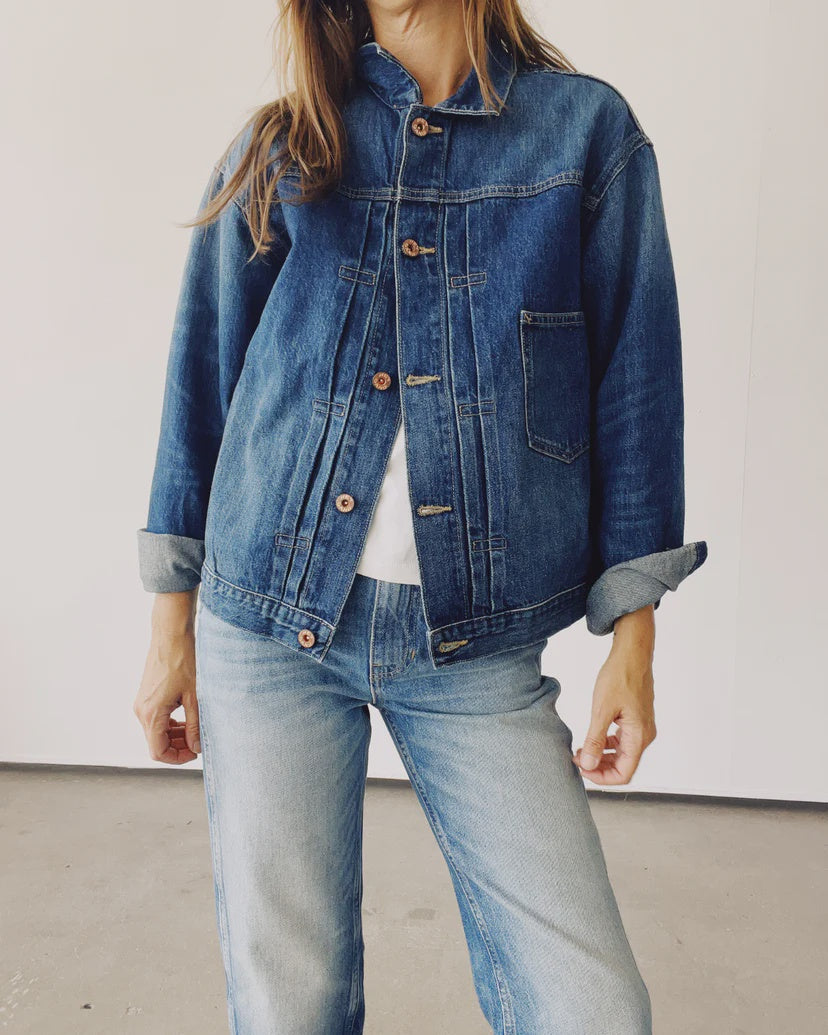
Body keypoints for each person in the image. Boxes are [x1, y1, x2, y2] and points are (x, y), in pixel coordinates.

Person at [133, 1, 708, 1031]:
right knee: (290, 1003)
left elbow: (636, 389)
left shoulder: (586, 137)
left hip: (475, 652)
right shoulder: (283, 146)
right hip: (265, 628)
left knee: (590, 1006)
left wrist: (636, 634)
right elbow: (201, 393)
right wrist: (169, 629)